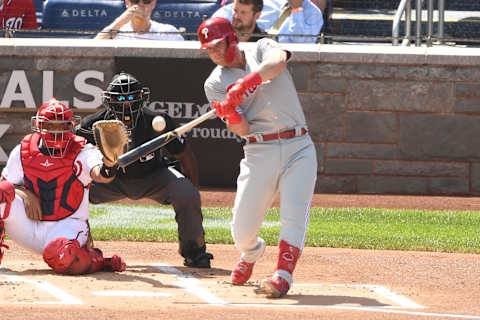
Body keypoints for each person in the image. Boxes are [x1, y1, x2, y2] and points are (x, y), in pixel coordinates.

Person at [198, 18, 317, 297]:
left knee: (293, 213)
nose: (214, 52)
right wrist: (230, 113)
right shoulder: (214, 83)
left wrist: (246, 83)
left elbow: (278, 63)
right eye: (208, 49)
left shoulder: (261, 48)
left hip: (298, 144)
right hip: (259, 150)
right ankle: (251, 253)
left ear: (231, 38)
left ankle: (283, 274)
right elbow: (242, 129)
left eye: (217, 45)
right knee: (241, 232)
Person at [75, 72, 214, 268]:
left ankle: (194, 251)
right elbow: (72, 158)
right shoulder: (93, 125)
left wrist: (194, 193)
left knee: (185, 192)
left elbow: (185, 155)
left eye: (131, 98)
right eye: (120, 98)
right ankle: (79, 246)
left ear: (141, 98)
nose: (126, 104)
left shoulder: (157, 121)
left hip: (153, 177)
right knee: (73, 189)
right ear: (109, 100)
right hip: (109, 180)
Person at [0, 98, 126, 275]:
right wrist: (25, 193)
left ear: (70, 126)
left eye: (62, 125)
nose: (57, 130)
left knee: (65, 257)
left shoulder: (83, 151)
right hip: (29, 227)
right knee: (2, 193)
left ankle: (97, 259)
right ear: (39, 126)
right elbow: (5, 185)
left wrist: (109, 162)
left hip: (67, 226)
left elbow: (102, 175)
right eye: (51, 125)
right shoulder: (23, 150)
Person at [212, 0, 323, 43]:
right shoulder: (264, 1)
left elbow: (302, 45)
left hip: (285, 65)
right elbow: (220, 18)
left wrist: (297, 9)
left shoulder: (313, 13)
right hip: (248, 50)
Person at [95, 0, 183, 40]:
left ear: (153, 3)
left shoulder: (167, 32)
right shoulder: (116, 32)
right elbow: (92, 49)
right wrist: (121, 20)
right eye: (135, 1)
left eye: (146, 1)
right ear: (127, 3)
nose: (141, 5)